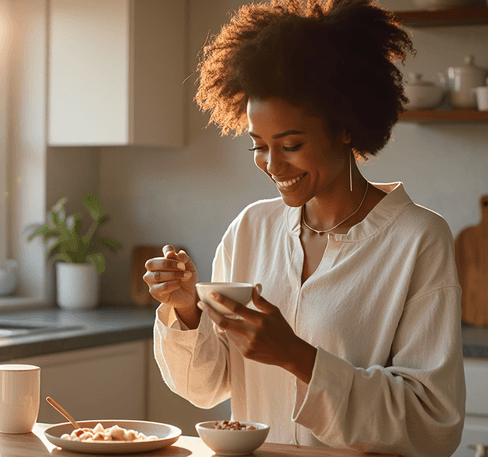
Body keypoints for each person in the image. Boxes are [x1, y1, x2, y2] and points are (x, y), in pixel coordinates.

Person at [143, 1, 465, 455]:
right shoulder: (251, 228)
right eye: (258, 146)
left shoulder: (417, 239)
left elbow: (432, 423)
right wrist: (185, 310)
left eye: (291, 144)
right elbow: (206, 387)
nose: (273, 165)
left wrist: (297, 356)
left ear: (347, 129)